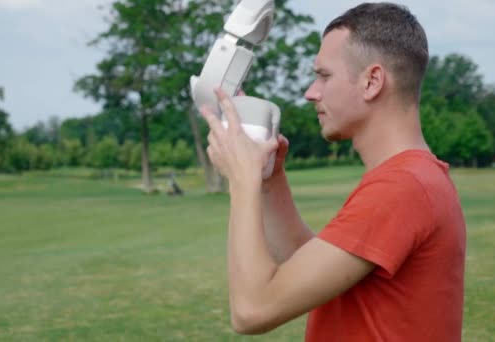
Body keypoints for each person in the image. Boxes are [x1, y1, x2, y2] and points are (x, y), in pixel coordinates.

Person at [198, 2, 466, 341]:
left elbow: (252, 310)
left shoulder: (402, 187)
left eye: (323, 75)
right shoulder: (413, 179)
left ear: (372, 81)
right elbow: (311, 270)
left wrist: (242, 180)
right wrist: (268, 180)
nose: (311, 93)